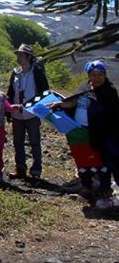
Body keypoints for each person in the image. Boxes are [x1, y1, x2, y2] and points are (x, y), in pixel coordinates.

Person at [49, 61, 118, 207]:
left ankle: (105, 194)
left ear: (105, 75)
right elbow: (73, 102)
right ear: (89, 75)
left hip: (102, 134)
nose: (97, 78)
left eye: (100, 75)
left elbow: (112, 115)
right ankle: (88, 188)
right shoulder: (84, 88)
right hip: (81, 131)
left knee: (102, 163)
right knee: (84, 160)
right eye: (94, 75)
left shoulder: (109, 92)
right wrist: (60, 104)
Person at [6, 44, 50, 180]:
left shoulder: (37, 72)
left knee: (34, 142)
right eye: (18, 55)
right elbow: (11, 92)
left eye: (21, 55)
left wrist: (41, 108)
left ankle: (36, 170)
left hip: (32, 113)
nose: (18, 58)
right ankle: (21, 168)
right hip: (17, 113)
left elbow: (45, 91)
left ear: (29, 57)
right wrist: (8, 111)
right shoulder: (16, 72)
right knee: (18, 142)